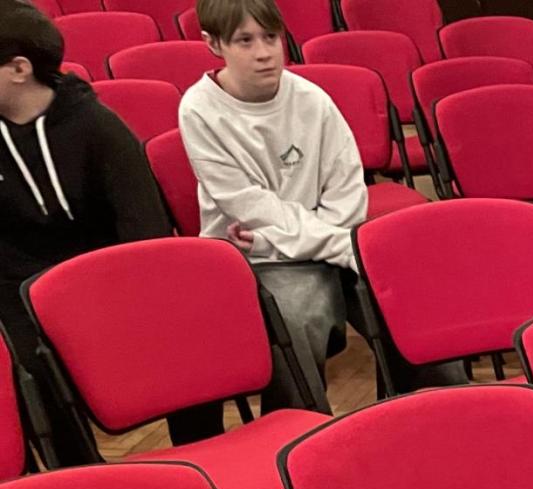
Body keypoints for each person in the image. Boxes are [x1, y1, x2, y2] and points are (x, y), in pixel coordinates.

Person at [0, 0, 207, 464]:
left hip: (110, 281)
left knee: (186, 333)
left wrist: (100, 297)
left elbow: (145, 233)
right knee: (22, 365)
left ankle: (199, 456)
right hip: (23, 293)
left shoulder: (97, 127)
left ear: (19, 69)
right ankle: (79, 475)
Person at [180, 0, 362, 412]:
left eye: (270, 37)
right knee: (296, 315)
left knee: (402, 293)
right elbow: (251, 208)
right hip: (259, 258)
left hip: (315, 241)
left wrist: (332, 243)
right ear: (213, 44)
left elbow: (347, 193)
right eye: (245, 41)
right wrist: (343, 247)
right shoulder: (199, 110)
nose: (264, 53)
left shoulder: (313, 100)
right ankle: (301, 434)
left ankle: (434, 414)